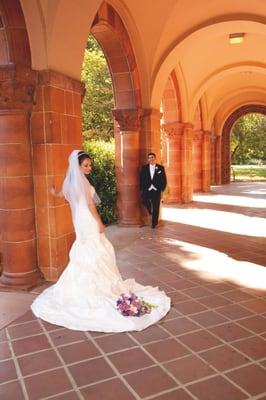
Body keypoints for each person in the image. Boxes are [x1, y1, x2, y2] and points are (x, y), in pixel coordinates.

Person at [31, 150, 170, 332]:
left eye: (90, 165)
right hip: (88, 219)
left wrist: (51, 191)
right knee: (98, 248)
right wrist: (100, 222)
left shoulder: (71, 182)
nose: (89, 168)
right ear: (78, 166)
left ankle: (82, 285)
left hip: (79, 221)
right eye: (86, 165)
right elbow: (90, 205)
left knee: (87, 249)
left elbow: (61, 195)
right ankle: (96, 285)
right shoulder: (80, 181)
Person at [140, 152, 167, 228]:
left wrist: (162, 189)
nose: (151, 159)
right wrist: (142, 188)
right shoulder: (144, 167)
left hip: (156, 190)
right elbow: (142, 178)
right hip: (147, 189)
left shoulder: (160, 168)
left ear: (155, 158)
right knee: (144, 200)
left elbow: (164, 179)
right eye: (149, 158)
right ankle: (150, 210)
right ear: (148, 159)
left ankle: (154, 224)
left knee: (156, 206)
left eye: (152, 157)